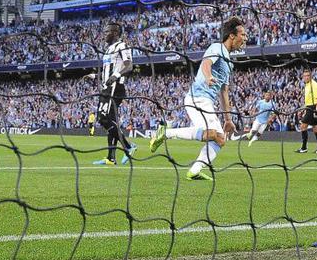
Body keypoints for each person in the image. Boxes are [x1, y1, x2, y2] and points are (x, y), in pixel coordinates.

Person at [149, 17, 247, 181]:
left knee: (220, 139)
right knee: (211, 134)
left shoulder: (229, 63)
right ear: (232, 35)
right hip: (197, 98)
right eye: (242, 34)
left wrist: (228, 119)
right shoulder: (217, 47)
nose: (245, 38)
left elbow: (224, 91)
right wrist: (208, 77)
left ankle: (195, 170)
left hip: (206, 101)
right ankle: (166, 133)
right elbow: (206, 63)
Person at [84, 22, 136, 165]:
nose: (104, 34)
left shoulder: (122, 46)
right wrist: (93, 76)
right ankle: (111, 158)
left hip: (115, 87)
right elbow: (106, 73)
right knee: (111, 121)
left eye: (107, 31)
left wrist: (116, 76)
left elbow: (129, 66)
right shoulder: (108, 50)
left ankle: (128, 146)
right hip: (107, 87)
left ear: (115, 33)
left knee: (103, 118)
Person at [297, 70, 317, 154]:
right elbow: (308, 100)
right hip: (309, 107)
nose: (306, 77)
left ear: (311, 76)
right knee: (315, 128)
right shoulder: (307, 85)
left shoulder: (314, 85)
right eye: (305, 76)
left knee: (303, 126)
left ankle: (304, 148)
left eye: (308, 75)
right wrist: (303, 109)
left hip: (312, 108)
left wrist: (316, 109)